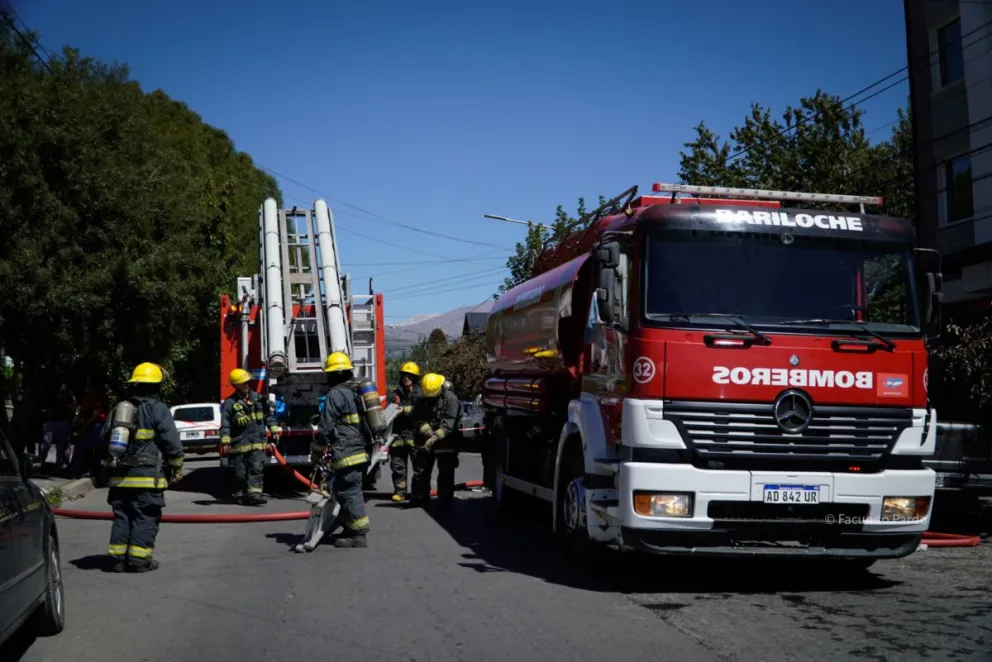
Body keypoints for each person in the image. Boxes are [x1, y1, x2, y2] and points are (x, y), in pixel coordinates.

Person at [103, 363, 184, 573]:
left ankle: (118, 560)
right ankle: (139, 560)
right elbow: (171, 442)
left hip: (119, 478)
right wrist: (176, 466)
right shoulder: (158, 409)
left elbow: (103, 438)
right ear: (156, 386)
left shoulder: (119, 409)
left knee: (122, 516)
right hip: (148, 477)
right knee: (145, 516)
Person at [310, 352, 370, 548]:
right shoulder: (356, 391)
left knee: (350, 492)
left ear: (336, 374)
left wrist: (316, 450)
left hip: (346, 452)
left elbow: (326, 426)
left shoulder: (336, 394)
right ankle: (349, 527)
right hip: (360, 449)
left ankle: (358, 535)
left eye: (329, 374)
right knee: (345, 491)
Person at [219, 368, 280, 506]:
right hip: (239, 444)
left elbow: (268, 416)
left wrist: (274, 428)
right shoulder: (230, 403)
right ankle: (240, 493)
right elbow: (225, 423)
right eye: (242, 383)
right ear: (235, 385)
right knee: (239, 473)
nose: (246, 385)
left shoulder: (259, 399)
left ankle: (255, 495)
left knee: (256, 468)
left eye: (247, 382)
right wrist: (225, 440)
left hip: (257, 442)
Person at [411, 372, 461, 509]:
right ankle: (420, 498)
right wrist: (425, 429)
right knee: (421, 472)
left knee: (446, 473)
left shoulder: (451, 400)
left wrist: (434, 438)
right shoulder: (423, 398)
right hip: (427, 439)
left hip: (447, 442)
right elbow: (417, 417)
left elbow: (449, 422)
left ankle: (444, 502)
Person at [388, 361, 420, 502]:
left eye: (410, 376)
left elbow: (421, 411)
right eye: (404, 376)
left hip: (415, 436)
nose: (406, 379)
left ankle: (417, 493)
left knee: (419, 467)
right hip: (398, 436)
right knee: (398, 466)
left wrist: (405, 410)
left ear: (415, 378)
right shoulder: (395, 394)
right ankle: (400, 492)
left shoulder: (420, 394)